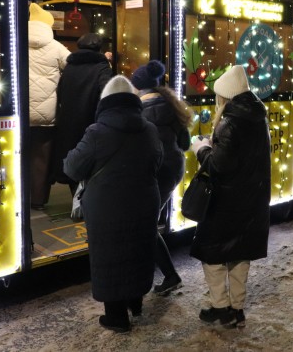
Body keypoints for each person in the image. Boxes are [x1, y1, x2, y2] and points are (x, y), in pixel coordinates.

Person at [63, 75, 163, 333]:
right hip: (144, 202)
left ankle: (116, 316)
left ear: (104, 103)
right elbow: (158, 162)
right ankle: (136, 303)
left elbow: (72, 168)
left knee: (110, 255)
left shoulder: (97, 132)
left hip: (107, 207)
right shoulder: (150, 129)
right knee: (138, 250)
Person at [189, 64, 271, 328]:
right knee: (240, 253)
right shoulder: (257, 117)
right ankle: (237, 308)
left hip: (227, 203)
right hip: (253, 200)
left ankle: (220, 306)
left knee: (212, 254)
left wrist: (201, 149)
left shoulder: (230, 123)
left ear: (224, 96)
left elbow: (218, 167)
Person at [131, 60, 193, 295]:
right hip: (173, 169)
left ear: (138, 87)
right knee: (147, 223)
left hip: (154, 172)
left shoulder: (139, 112)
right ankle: (167, 275)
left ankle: (168, 276)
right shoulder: (172, 105)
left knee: (145, 225)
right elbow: (185, 144)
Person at [53, 32, 112, 195]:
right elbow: (106, 93)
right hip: (91, 120)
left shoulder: (70, 67)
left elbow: (61, 91)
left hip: (69, 119)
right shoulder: (102, 67)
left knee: (75, 160)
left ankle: (76, 198)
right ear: (99, 48)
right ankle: (87, 203)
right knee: (92, 161)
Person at [27, 3, 70, 210]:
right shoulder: (57, 48)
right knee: (41, 159)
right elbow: (71, 67)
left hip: (19, 112)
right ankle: (38, 198)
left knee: (18, 154)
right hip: (47, 114)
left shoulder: (15, 42)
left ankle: (18, 196)